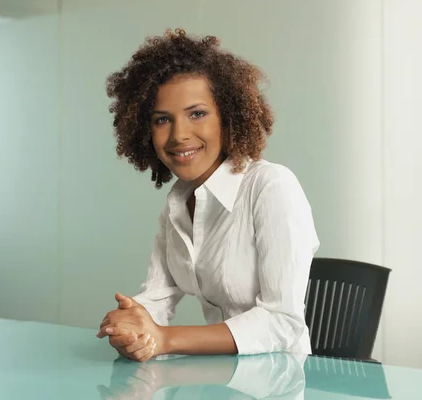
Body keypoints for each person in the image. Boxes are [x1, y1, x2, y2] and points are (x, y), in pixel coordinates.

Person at [96, 28, 319, 362]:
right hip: (218, 385)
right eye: (162, 120)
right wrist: (130, 328)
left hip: (277, 391)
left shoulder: (271, 187)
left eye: (197, 113)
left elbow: (282, 321)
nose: (179, 135)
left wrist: (164, 339)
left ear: (227, 118)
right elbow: (156, 300)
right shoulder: (176, 205)